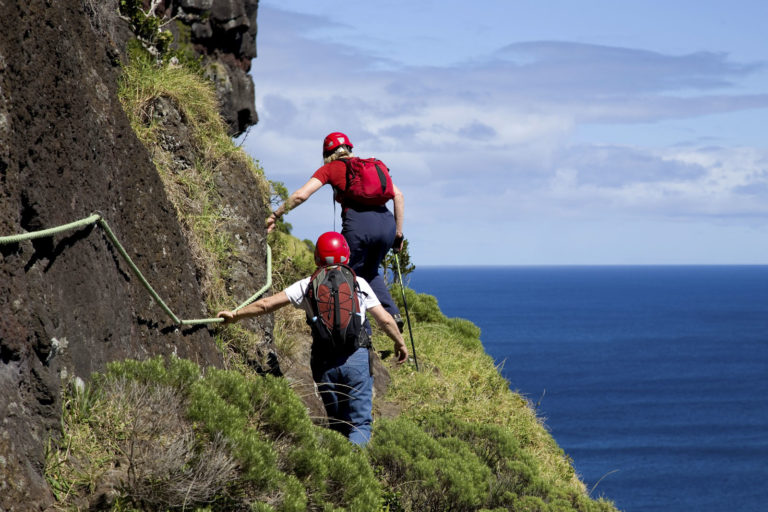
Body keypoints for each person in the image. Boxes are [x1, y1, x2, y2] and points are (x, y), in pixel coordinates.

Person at [217, 231, 408, 446]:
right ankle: (354, 471)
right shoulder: (359, 283)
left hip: (324, 362)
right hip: (356, 358)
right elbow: (386, 320)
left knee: (336, 423)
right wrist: (400, 343)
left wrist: (234, 315)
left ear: (317, 257)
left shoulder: (307, 285)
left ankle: (337, 465)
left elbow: (265, 305)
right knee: (360, 423)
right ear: (346, 255)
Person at [266, 132, 405, 331]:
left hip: (359, 226)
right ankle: (392, 314)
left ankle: (360, 331)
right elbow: (398, 196)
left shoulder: (331, 168)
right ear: (349, 149)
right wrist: (398, 234)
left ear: (327, 153)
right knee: (370, 272)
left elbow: (301, 195)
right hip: (387, 224)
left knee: (346, 277)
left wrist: (276, 214)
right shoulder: (370, 165)